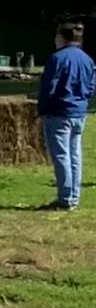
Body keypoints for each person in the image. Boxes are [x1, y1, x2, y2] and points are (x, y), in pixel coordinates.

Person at [37, 21, 96, 210]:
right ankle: (73, 196)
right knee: (75, 155)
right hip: (79, 111)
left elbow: (49, 86)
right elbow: (91, 87)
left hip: (59, 112)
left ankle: (65, 198)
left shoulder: (57, 58)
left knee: (61, 156)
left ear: (62, 37)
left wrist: (42, 109)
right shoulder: (87, 59)